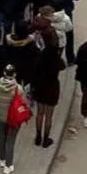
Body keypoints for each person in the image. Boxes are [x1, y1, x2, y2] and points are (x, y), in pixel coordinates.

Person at [30, 19, 65, 148]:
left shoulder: (41, 56)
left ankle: (38, 137)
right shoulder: (55, 56)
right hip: (52, 86)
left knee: (40, 113)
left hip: (40, 85)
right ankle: (46, 139)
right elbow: (63, 66)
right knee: (49, 116)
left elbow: (34, 72)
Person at [0, 64, 26, 174]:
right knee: (10, 140)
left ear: (4, 73)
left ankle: (2, 159)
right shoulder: (18, 88)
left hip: (1, 116)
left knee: (2, 137)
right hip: (13, 118)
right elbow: (23, 102)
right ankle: (8, 165)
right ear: (14, 74)